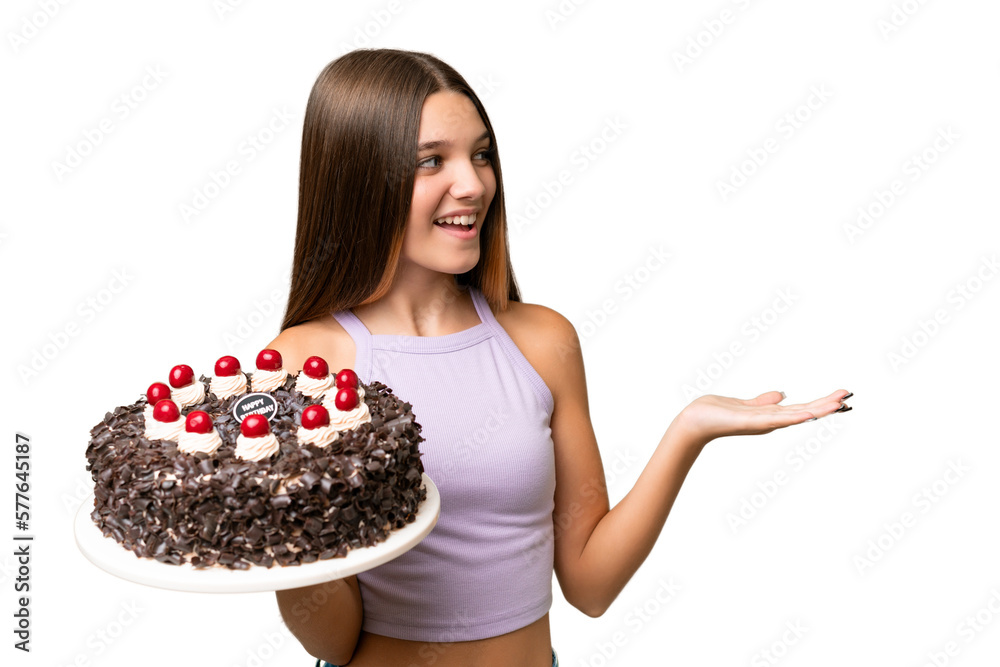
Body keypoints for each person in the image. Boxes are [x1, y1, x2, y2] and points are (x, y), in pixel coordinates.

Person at [267, 48, 851, 667]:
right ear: (362, 182)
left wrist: (688, 431)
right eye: (431, 161)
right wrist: (285, 523)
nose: (472, 184)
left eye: (481, 154)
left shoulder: (542, 341)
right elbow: (331, 639)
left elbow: (590, 585)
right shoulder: (306, 365)